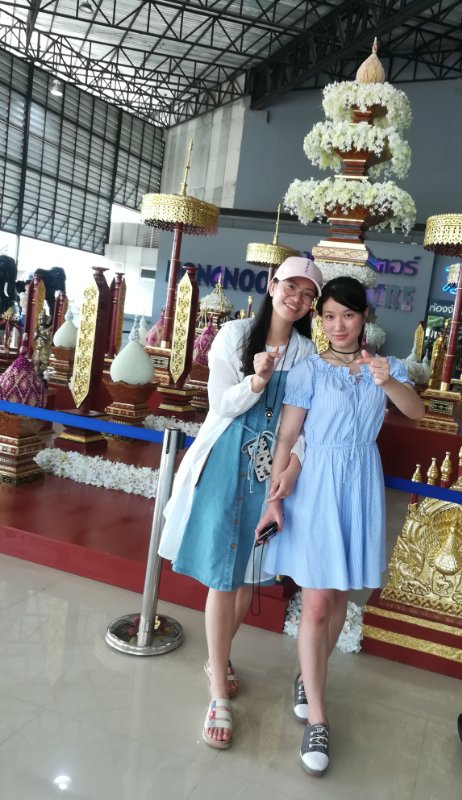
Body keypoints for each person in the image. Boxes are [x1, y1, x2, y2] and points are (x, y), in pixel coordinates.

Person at [255, 276, 425, 776]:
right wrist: (273, 499)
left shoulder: (385, 368)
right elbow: (288, 436)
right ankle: (318, 718)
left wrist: (387, 382)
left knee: (339, 600)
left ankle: (308, 679)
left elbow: (416, 411)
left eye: (347, 315)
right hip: (316, 486)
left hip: (360, 484)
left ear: (364, 316)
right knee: (315, 602)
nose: (337, 326)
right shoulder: (309, 370)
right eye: (328, 316)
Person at [158, 256, 323, 750]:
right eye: (290, 287)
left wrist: (292, 468)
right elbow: (219, 405)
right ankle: (217, 695)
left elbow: (304, 427)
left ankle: (219, 656)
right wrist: (255, 381)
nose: (297, 298)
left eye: (308, 294)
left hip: (268, 473)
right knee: (222, 575)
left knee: (251, 575)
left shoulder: (308, 355)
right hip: (225, 462)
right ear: (272, 286)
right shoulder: (233, 336)